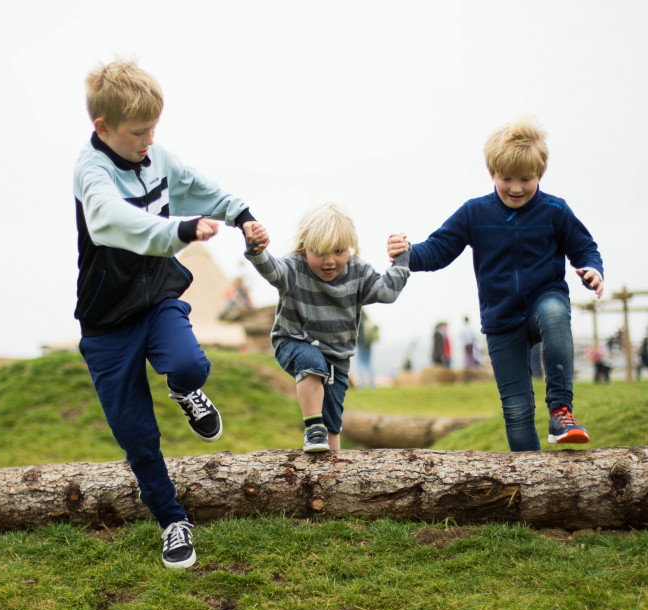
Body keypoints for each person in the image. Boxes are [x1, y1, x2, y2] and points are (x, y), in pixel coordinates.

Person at [73, 59, 266, 569]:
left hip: (157, 297)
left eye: (154, 127)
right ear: (103, 127)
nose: (149, 139)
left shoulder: (156, 156)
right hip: (107, 322)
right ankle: (172, 520)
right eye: (138, 131)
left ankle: (185, 391)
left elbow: (200, 188)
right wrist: (178, 232)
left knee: (189, 365)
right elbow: (114, 223)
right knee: (136, 434)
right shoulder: (91, 173)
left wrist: (241, 215)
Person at [388, 117, 604, 450]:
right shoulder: (475, 213)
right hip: (501, 318)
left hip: (544, 299)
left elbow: (584, 247)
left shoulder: (554, 210)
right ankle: (529, 478)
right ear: (492, 173)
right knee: (516, 410)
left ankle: (561, 411)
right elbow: (438, 250)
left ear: (540, 174)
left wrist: (592, 270)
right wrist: (406, 254)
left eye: (526, 179)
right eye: (507, 179)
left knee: (556, 314)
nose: (516, 188)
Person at [244, 201, 409, 453]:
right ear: (304, 247)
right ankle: (312, 428)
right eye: (320, 252)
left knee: (332, 421)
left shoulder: (357, 272)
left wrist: (401, 260)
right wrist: (257, 249)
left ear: (350, 248)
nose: (330, 261)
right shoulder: (294, 267)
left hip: (338, 357)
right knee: (312, 364)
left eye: (339, 251)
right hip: (294, 341)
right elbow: (272, 271)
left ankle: (331, 471)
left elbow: (386, 292)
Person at [355, 309, 378, 389]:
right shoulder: (366, 316)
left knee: (360, 364)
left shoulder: (357, 315)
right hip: (368, 342)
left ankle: (361, 385)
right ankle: (373, 385)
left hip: (361, 343)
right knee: (369, 363)